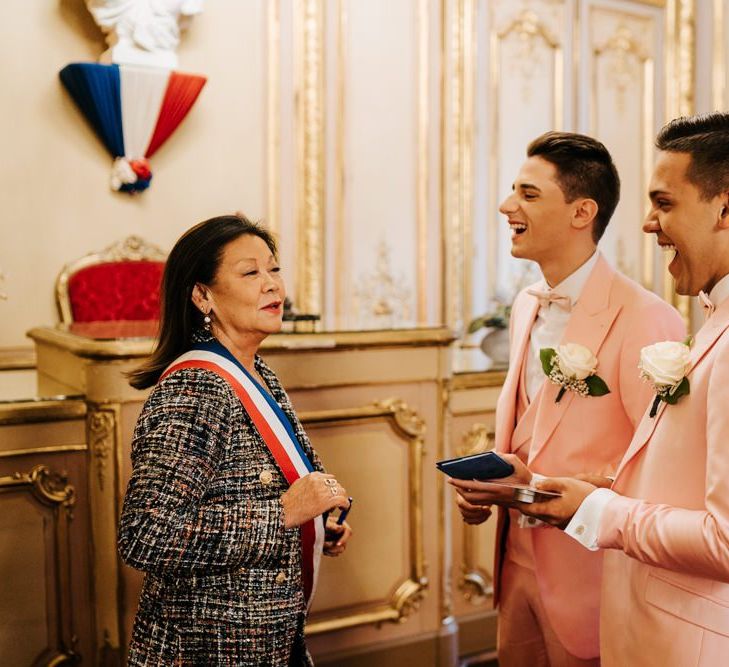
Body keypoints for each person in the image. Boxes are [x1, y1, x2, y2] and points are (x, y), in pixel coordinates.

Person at [449, 132, 685, 666]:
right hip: (515, 565)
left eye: (529, 194)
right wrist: (493, 485)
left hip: (592, 572)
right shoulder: (526, 304)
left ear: (582, 212)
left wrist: (554, 491)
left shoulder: (646, 316)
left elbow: (662, 471)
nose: (507, 205)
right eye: (513, 190)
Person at [520, 113, 729, 665]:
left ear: (725, 209)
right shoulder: (714, 320)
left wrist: (598, 509)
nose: (647, 223)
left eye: (664, 203)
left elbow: (726, 540)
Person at [118, 214, 353, 666]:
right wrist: (284, 514)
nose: (272, 286)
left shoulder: (255, 369)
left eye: (274, 269)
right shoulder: (195, 391)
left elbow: (258, 486)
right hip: (204, 649)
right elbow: (146, 535)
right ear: (202, 295)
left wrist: (318, 524)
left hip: (270, 641)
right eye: (250, 272)